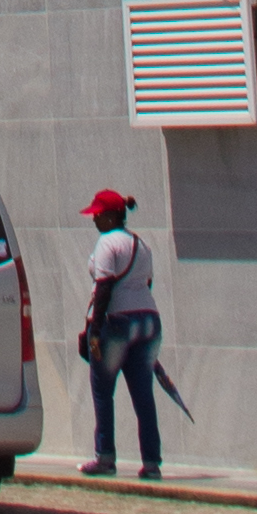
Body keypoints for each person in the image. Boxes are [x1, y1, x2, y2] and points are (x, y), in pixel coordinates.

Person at [76, 186, 164, 478]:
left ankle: (105, 457)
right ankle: (151, 464)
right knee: (143, 395)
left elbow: (103, 287)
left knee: (103, 392)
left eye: (97, 215)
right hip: (148, 320)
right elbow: (146, 284)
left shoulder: (106, 244)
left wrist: (95, 330)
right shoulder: (142, 245)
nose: (94, 221)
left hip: (116, 323)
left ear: (111, 216)